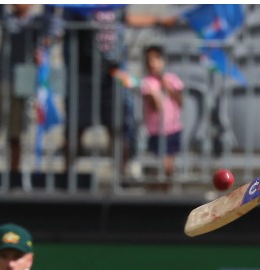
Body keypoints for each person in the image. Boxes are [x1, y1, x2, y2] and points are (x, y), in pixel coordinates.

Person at [56, 5, 177, 179]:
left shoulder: (115, 6)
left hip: (111, 72)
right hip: (83, 71)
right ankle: (67, 177)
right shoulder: (79, 6)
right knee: (76, 127)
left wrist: (156, 20)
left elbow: (125, 18)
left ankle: (122, 177)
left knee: (117, 126)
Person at [0, 5, 58, 172]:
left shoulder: (37, 21)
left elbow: (52, 21)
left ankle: (13, 172)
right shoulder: (7, 19)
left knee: (15, 133)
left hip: (22, 81)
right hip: (0, 78)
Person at [140, 44, 183, 185]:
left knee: (169, 162)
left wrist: (168, 87)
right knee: (162, 162)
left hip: (173, 128)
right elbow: (156, 107)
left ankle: (167, 186)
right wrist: (155, 95)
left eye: (156, 59)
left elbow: (180, 101)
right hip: (157, 131)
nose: (153, 63)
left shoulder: (172, 79)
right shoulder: (147, 83)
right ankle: (161, 186)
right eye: (149, 60)